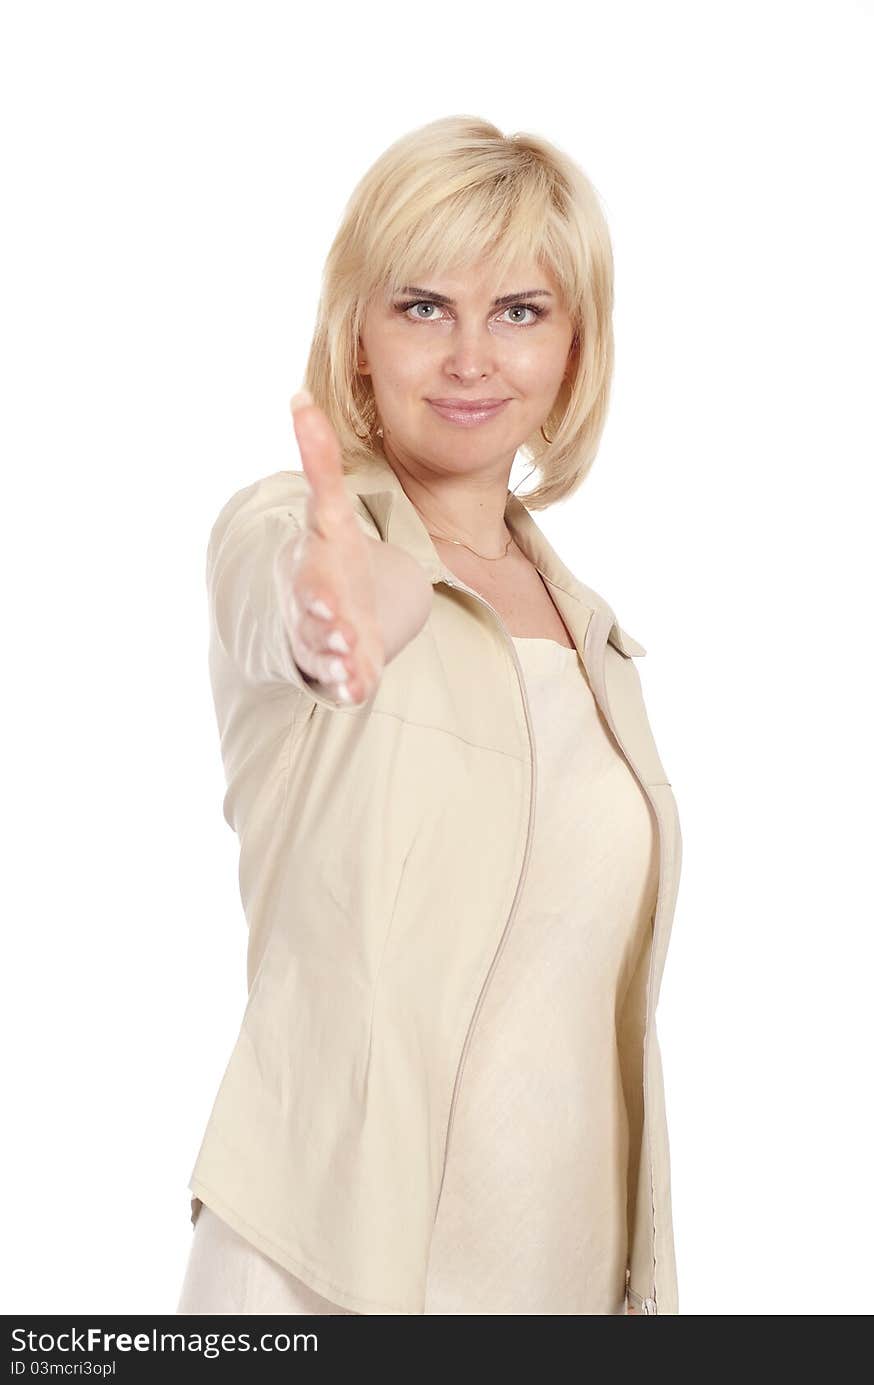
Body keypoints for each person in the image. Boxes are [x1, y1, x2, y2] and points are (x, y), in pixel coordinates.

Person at [176, 114, 683, 1316]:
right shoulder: (296, 535)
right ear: (358, 338)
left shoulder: (596, 635)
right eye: (421, 306)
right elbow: (289, 601)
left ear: (573, 347)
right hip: (323, 1269)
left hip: (559, 1277)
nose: (469, 356)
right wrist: (329, 613)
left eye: (520, 310)